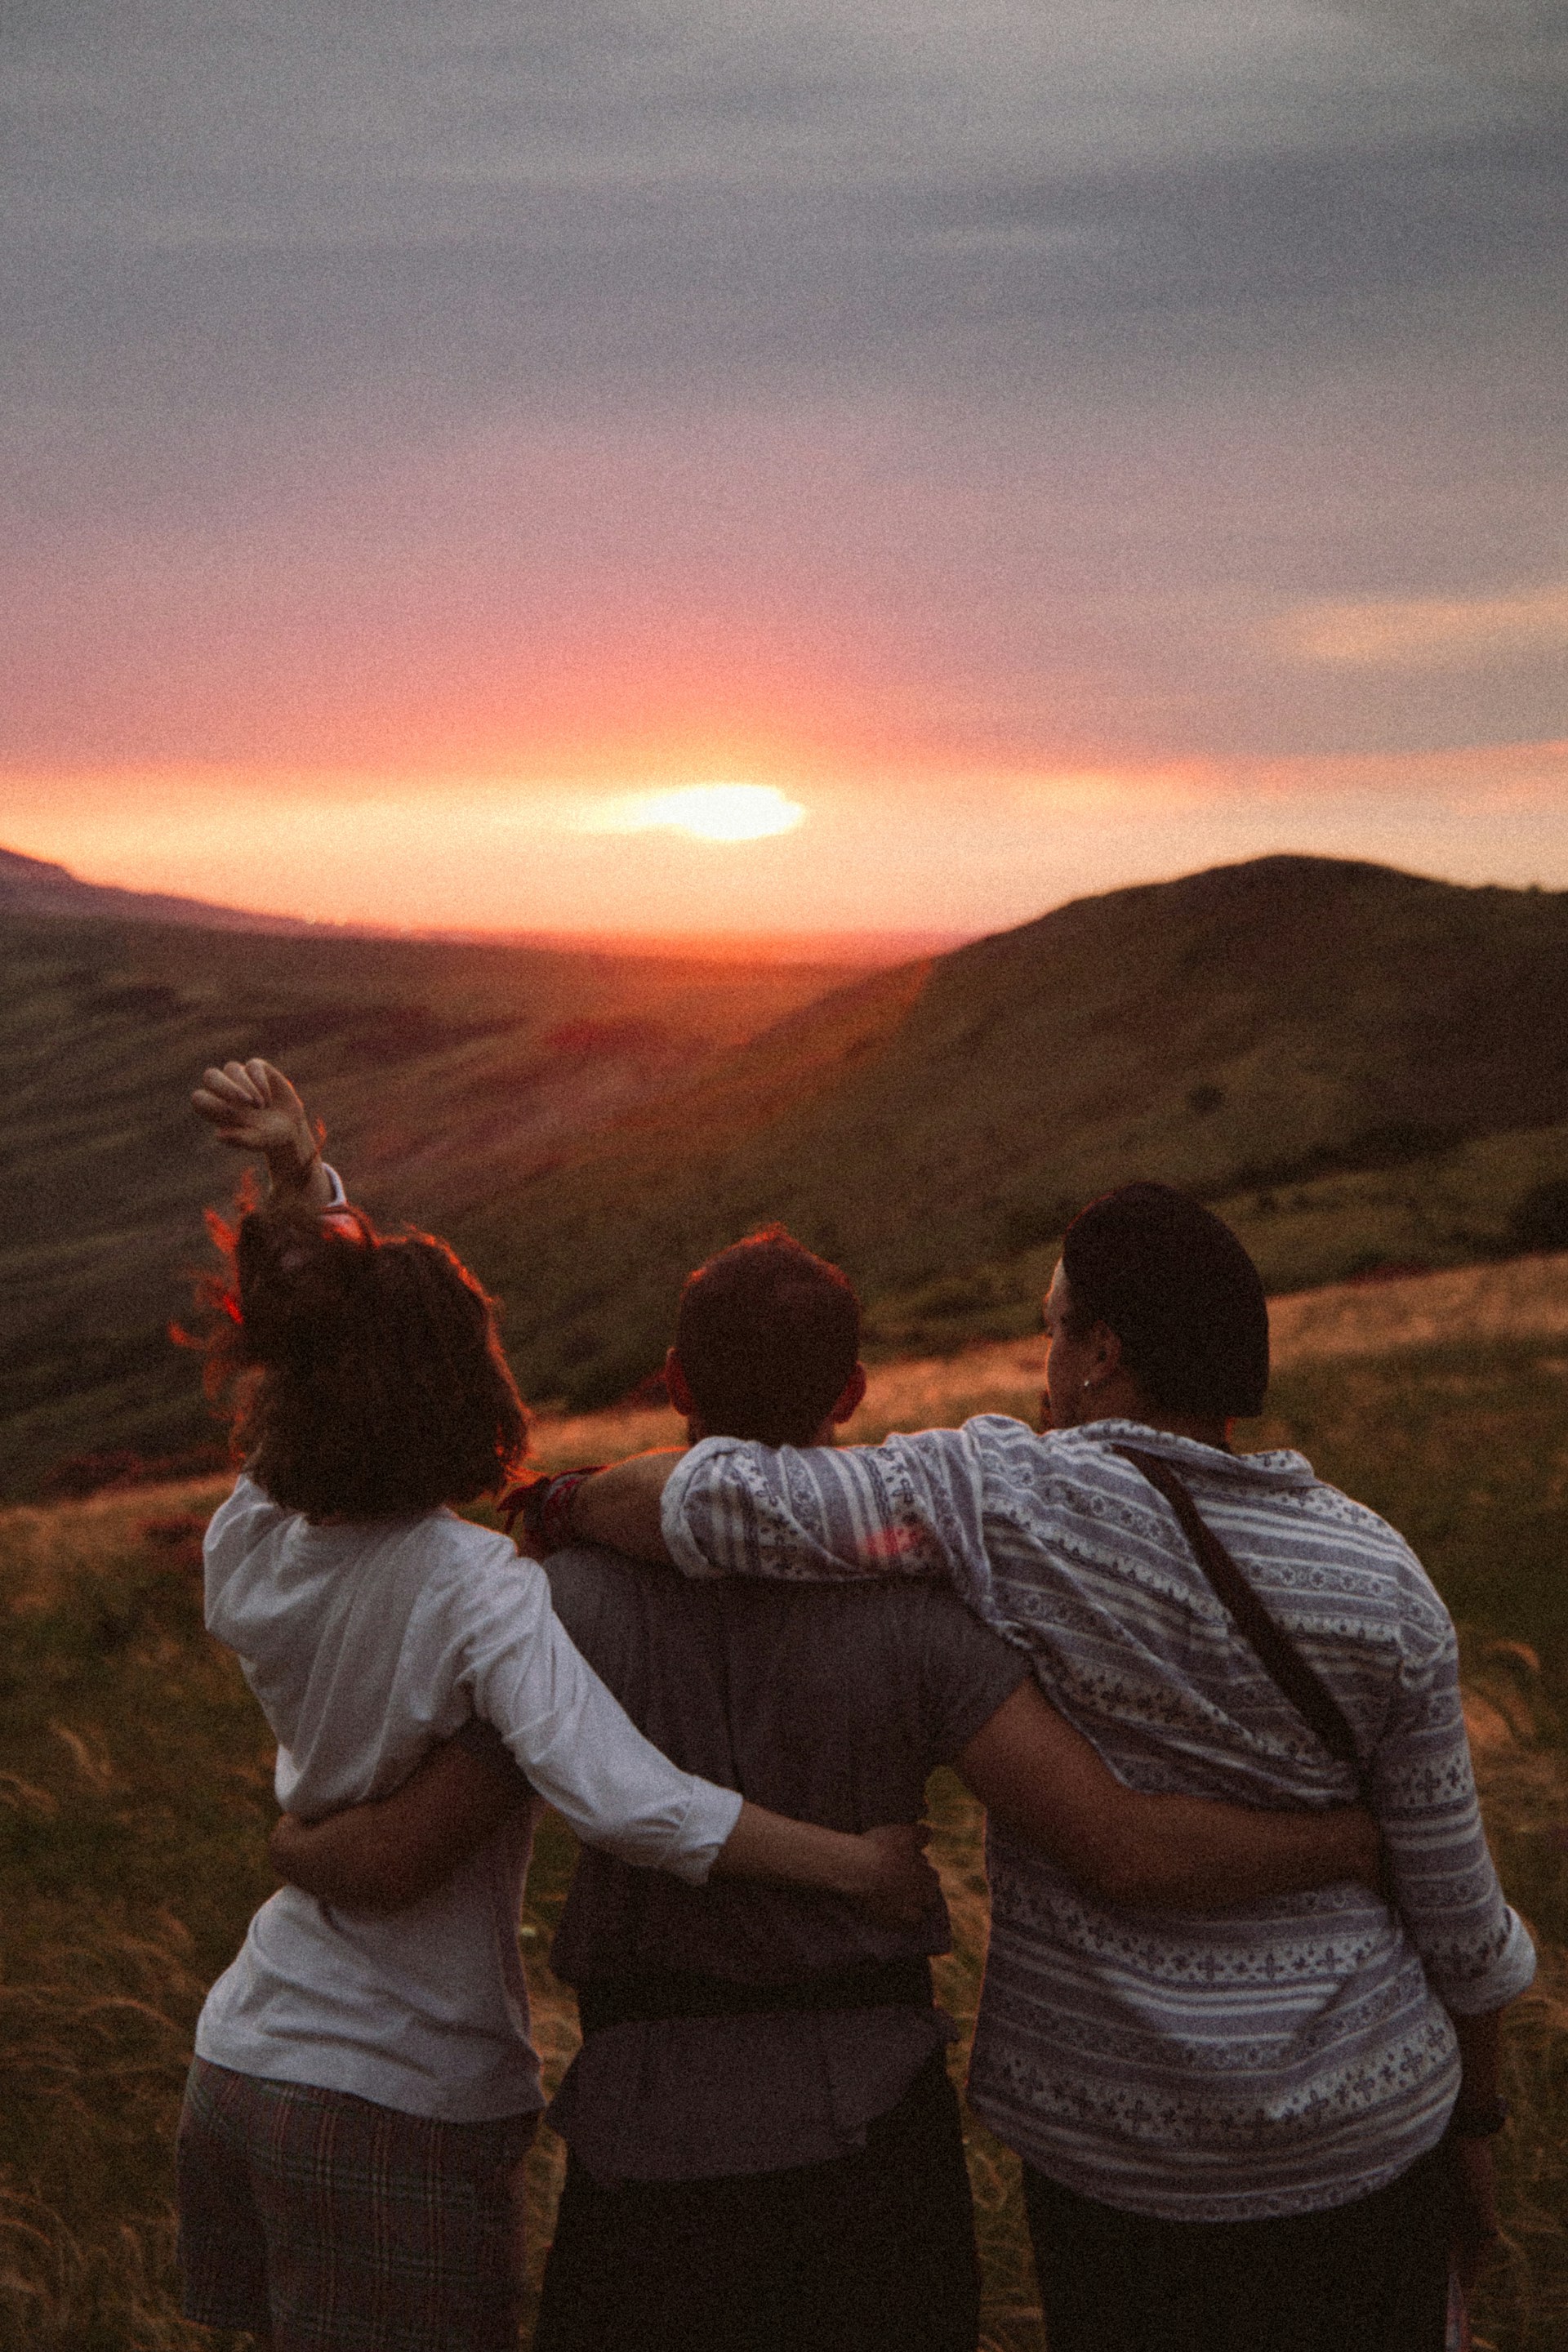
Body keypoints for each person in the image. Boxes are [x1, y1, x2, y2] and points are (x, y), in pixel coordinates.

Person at [274, 1216, 1383, 2352]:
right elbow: (1119, 1845)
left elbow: (405, 1853)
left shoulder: (562, 1608)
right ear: (850, 1394)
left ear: (672, 1381)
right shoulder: (922, 1617)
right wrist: (1347, 1842)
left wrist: (290, 1846)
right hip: (873, 2154)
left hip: (645, 2144)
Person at [546, 1183, 1535, 2352]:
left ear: (1103, 1353)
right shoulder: (1383, 1571)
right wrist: (1472, 2124)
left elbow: (714, 1496)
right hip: (1370, 2120)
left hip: (1121, 2144)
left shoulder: (1005, 1497)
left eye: (1053, 1325)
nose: (1042, 1356)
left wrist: (558, 1498)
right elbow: (1463, 1922)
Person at [176, 1062, 938, 2352]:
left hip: (240, 2062)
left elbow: (304, 1343)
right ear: (470, 1385)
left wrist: (305, 1185)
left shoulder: (246, 1537)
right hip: (399, 2088)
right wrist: (858, 1867)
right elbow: (625, 1798)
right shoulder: (478, 1589)